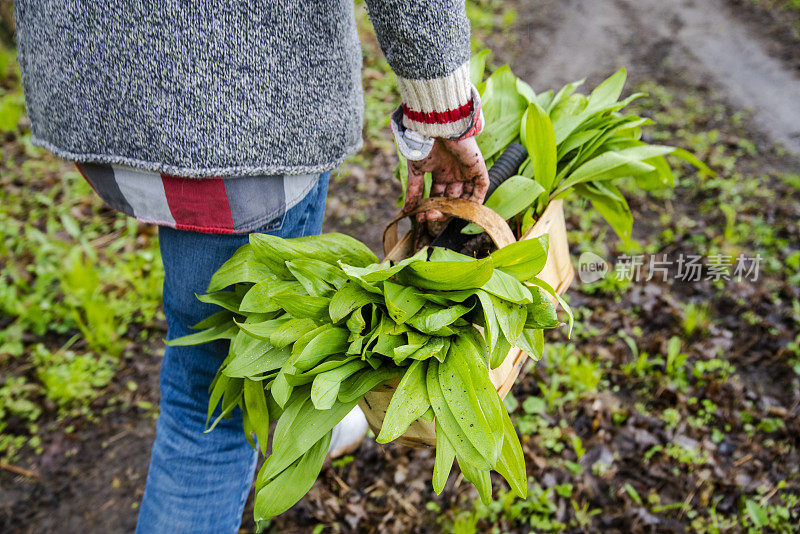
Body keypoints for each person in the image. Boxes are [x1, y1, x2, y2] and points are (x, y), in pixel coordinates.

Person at [14, 1, 489, 532]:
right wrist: (442, 110)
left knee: (239, 338)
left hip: (100, 92)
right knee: (208, 408)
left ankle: (301, 421)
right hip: (240, 109)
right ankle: (278, 415)